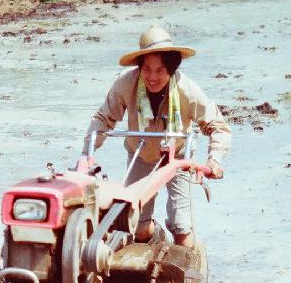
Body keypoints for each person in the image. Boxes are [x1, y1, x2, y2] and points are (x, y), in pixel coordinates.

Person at [84, 25, 232, 247]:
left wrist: (214, 160)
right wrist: (87, 155)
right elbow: (103, 119)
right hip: (141, 156)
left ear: (171, 69)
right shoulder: (127, 84)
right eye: (147, 69)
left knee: (182, 229)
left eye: (160, 70)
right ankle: (154, 242)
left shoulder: (187, 90)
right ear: (139, 67)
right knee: (138, 228)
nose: (152, 77)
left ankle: (185, 268)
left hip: (177, 157)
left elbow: (218, 126)